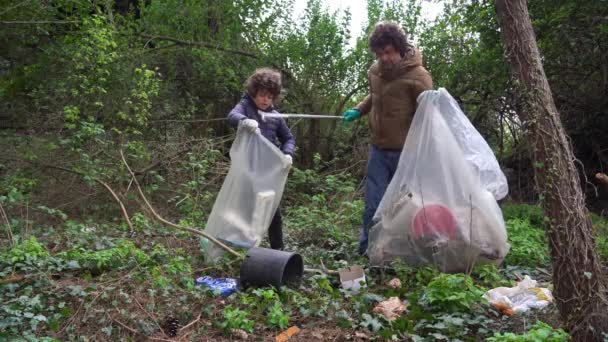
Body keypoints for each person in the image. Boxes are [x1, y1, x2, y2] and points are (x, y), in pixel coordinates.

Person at [342, 21, 433, 254]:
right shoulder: (375, 72)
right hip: (379, 150)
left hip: (407, 153)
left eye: (388, 52)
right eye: (379, 53)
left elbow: (428, 116)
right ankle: (367, 250)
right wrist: (359, 109)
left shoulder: (419, 76)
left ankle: (403, 253)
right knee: (373, 204)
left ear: (400, 48)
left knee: (405, 207)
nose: (384, 57)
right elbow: (375, 96)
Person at [227, 67, 295, 250]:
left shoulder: (275, 115)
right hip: (247, 169)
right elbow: (232, 116)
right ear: (254, 91)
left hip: (268, 172)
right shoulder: (245, 106)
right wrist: (244, 121)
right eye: (263, 95)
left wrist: (288, 153)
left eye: (270, 96)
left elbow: (288, 138)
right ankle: (237, 248)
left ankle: (277, 250)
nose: (266, 100)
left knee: (273, 212)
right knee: (243, 210)